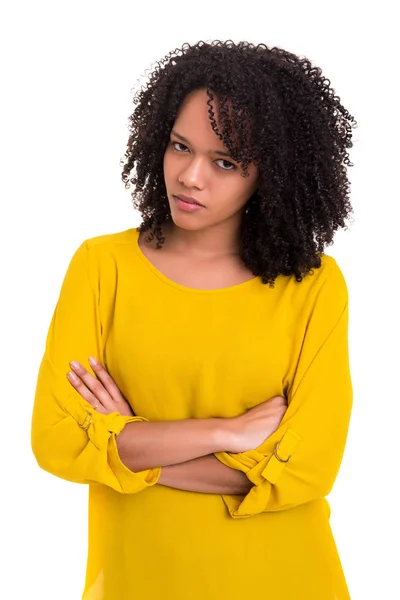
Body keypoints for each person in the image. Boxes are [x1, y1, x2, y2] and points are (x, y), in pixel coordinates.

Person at [31, 39, 357, 599]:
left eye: (225, 161)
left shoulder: (313, 284)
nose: (190, 176)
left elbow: (307, 471)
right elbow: (57, 441)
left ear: (270, 174)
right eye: (181, 147)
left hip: (286, 578)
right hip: (138, 581)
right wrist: (226, 434)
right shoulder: (101, 267)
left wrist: (126, 443)